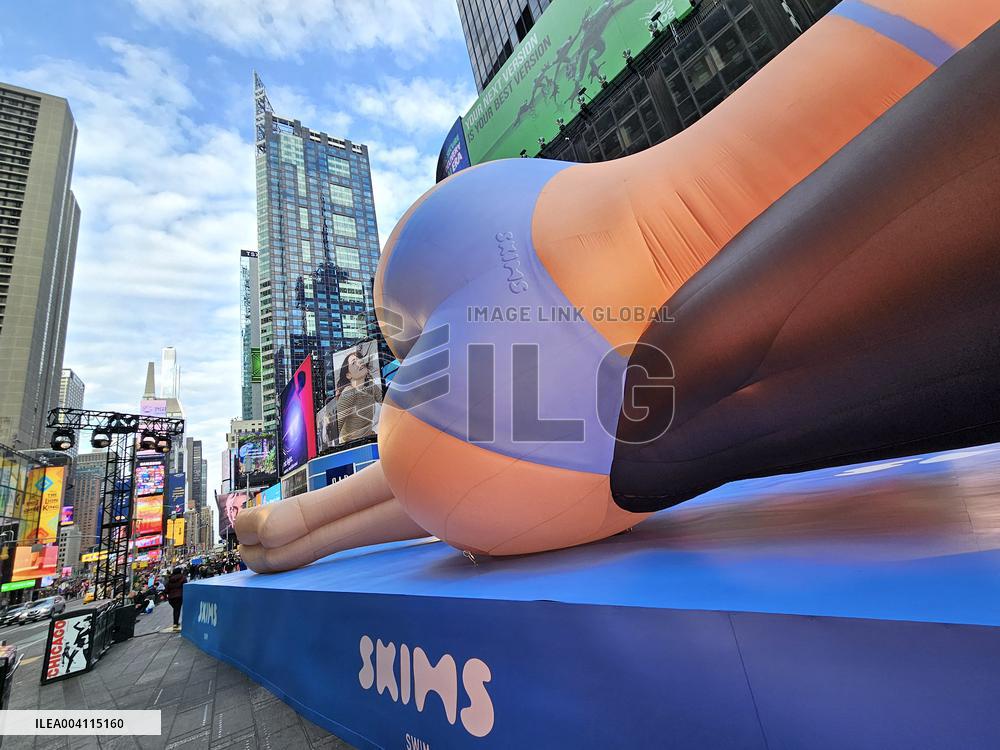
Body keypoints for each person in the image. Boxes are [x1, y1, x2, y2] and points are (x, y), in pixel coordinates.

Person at [165, 567, 186, 631]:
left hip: (171, 598)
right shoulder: (183, 578)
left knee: (176, 609)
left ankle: (175, 623)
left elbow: (166, 590)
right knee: (177, 610)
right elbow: (185, 586)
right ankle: (175, 623)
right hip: (179, 596)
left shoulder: (170, 579)